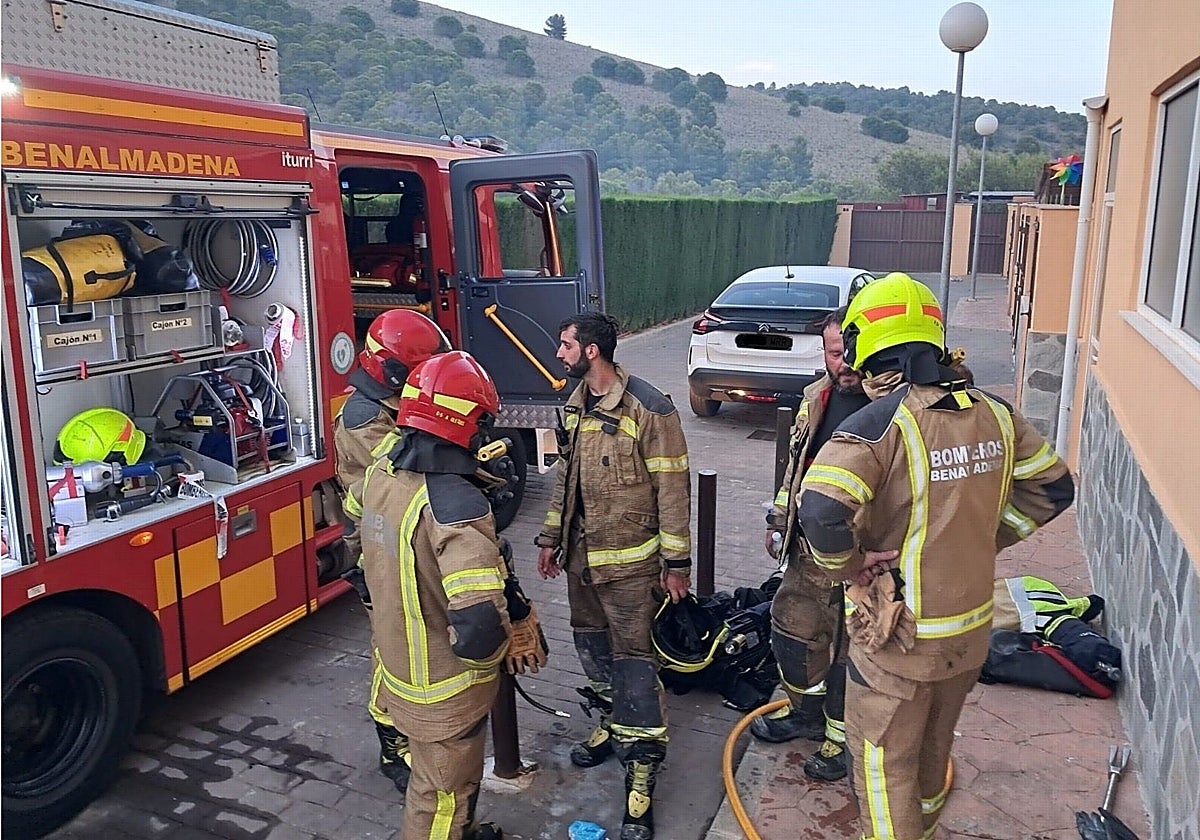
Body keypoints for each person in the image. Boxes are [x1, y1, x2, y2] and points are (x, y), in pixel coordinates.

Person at [796, 273, 1075, 840]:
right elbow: (1054, 489)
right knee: (930, 750)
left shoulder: (876, 426)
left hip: (901, 641)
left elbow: (821, 511)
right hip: (970, 634)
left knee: (882, 763)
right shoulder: (996, 413)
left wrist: (848, 567)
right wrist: (984, 538)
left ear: (869, 348)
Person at [357, 350, 544, 840]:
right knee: (439, 797)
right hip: (445, 689)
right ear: (462, 418)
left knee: (448, 786)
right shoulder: (456, 507)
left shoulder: (383, 474)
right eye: (481, 419)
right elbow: (479, 626)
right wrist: (505, 648)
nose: (486, 431)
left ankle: (465, 829)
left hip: (397, 667)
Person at [535, 312, 692, 840]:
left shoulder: (651, 409)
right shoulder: (576, 407)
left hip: (631, 573)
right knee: (592, 652)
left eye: (565, 345)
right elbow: (565, 482)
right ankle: (611, 724)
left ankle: (642, 771)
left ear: (592, 351)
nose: (560, 354)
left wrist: (677, 565)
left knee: (633, 666)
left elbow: (672, 491)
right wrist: (550, 539)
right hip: (582, 566)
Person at [333, 309, 451, 794]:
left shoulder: (382, 405)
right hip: (379, 554)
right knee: (393, 649)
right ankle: (392, 741)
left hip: (392, 545)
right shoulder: (366, 421)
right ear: (395, 371)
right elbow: (406, 479)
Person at [751, 307, 868, 783]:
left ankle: (840, 737)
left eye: (845, 352)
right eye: (830, 350)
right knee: (796, 629)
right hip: (808, 549)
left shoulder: (888, 407)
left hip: (861, 556)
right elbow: (797, 468)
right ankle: (805, 712)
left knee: (850, 649)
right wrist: (779, 520)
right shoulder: (816, 397)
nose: (838, 362)